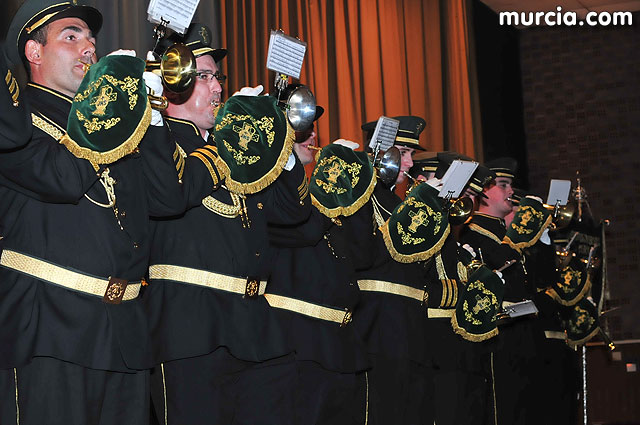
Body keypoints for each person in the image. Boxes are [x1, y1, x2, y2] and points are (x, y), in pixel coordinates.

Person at [0, 3, 222, 424]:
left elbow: (167, 199)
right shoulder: (17, 120)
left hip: (124, 335)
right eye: (72, 36)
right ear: (33, 51)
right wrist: (111, 104)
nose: (89, 47)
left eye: (91, 39)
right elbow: (60, 178)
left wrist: (152, 115)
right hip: (49, 330)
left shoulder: (113, 122)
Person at [143, 24, 312, 425]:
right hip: (190, 328)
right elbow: (170, 193)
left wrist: (279, 140)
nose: (217, 88)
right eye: (203, 76)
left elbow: (294, 214)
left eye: (217, 77)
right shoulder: (159, 139)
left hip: (256, 327)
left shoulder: (236, 148)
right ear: (173, 81)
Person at [459, 158, 542, 425]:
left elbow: (543, 278)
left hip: (521, 331)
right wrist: (518, 238)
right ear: (483, 191)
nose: (510, 192)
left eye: (511, 185)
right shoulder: (472, 234)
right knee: (501, 408)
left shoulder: (501, 234)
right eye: (503, 185)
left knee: (525, 407)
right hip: (498, 334)